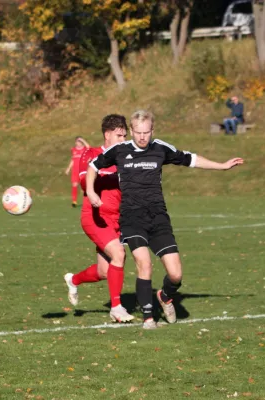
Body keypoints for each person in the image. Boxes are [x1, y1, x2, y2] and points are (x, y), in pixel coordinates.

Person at [86, 110, 244, 329]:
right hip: (132, 217)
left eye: (146, 132)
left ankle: (165, 296)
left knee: (176, 274)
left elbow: (191, 159)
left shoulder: (160, 148)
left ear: (152, 130)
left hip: (158, 218)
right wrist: (91, 192)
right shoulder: (119, 150)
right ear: (132, 131)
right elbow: (93, 166)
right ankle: (149, 318)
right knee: (144, 263)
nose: (142, 137)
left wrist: (222, 165)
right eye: (138, 132)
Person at [63, 115, 134, 323]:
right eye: (119, 135)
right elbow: (85, 181)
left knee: (105, 271)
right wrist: (96, 189)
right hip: (94, 217)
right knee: (119, 254)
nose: (123, 139)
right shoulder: (92, 153)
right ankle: (116, 308)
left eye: (124, 135)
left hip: (117, 219)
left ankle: (73, 280)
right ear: (107, 135)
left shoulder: (127, 158)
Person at [65, 136, 90, 207]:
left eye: (79, 142)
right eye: (77, 142)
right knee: (74, 185)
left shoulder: (85, 149)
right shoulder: (73, 150)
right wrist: (68, 168)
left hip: (83, 171)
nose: (78, 143)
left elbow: (89, 147)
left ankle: (87, 201)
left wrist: (83, 140)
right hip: (75, 171)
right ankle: (74, 201)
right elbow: (73, 160)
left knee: (85, 187)